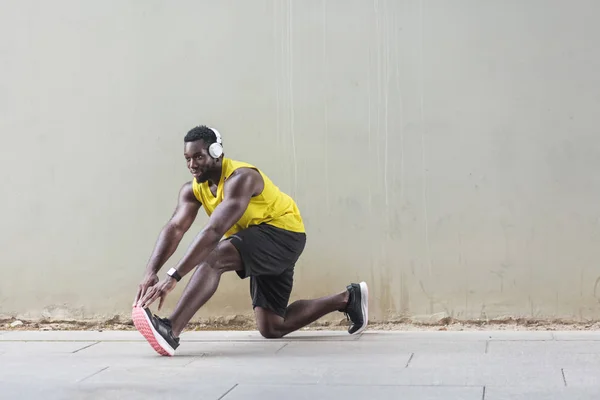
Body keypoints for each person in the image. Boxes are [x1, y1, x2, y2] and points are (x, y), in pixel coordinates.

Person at [132, 125, 368, 356]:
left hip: (284, 234)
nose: (192, 165)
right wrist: (151, 271)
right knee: (272, 326)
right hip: (257, 240)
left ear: (216, 153)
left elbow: (214, 231)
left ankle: (170, 330)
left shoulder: (242, 178)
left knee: (213, 257)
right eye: (187, 158)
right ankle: (347, 298)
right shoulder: (193, 190)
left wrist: (174, 276)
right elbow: (175, 228)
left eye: (198, 157)